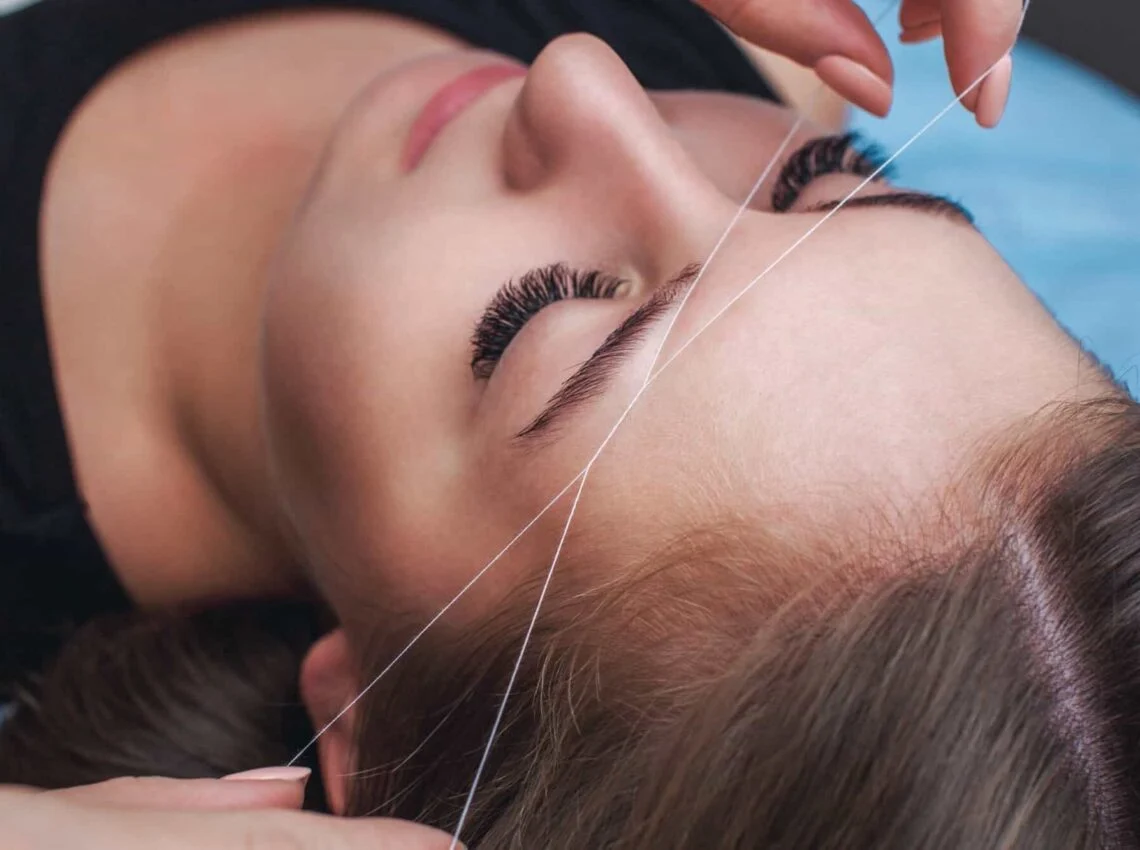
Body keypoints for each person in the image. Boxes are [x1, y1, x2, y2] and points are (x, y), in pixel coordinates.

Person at [14, 0, 1140, 846]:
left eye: (545, 314)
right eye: (828, 186)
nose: (587, 75)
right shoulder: (761, 52)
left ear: (360, 721)